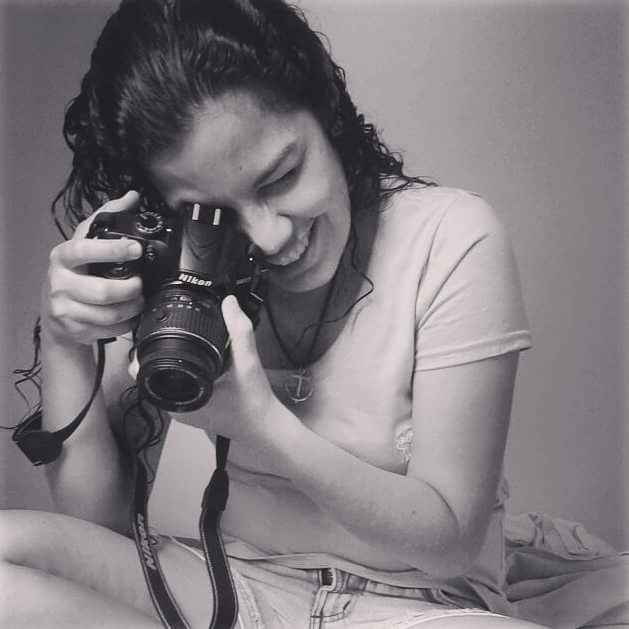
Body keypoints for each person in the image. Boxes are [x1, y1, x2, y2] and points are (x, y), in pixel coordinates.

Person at [4, 1, 615, 627]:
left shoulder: (450, 237)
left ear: (328, 112)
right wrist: (65, 341)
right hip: (239, 585)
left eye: (281, 177)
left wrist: (263, 427)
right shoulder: (185, 257)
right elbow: (98, 525)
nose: (270, 236)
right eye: (219, 214)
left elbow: (450, 542)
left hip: (425, 607)